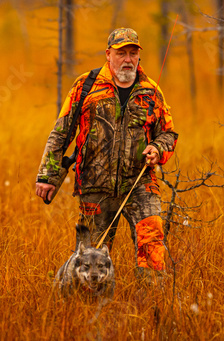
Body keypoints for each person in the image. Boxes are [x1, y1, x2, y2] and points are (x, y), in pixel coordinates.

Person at [36, 28, 178, 284]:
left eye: (133, 53)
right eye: (121, 53)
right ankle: (88, 312)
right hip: (94, 186)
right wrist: (48, 176)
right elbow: (61, 133)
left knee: (152, 244)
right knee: (89, 257)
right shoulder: (85, 87)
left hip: (140, 185)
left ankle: (152, 304)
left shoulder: (151, 91)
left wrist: (158, 148)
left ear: (138, 57)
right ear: (108, 54)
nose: (127, 59)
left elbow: (168, 134)